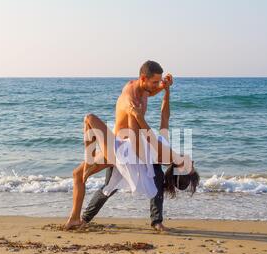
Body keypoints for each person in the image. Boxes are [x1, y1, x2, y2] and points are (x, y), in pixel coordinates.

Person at [64, 61, 199, 231]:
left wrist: (136, 114)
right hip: (128, 146)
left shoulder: (169, 155)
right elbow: (165, 116)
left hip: (124, 149)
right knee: (87, 179)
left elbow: (144, 135)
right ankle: (75, 219)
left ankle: (156, 221)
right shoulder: (138, 94)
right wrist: (166, 90)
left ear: (182, 168)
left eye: (191, 166)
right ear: (144, 78)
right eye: (155, 81)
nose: (193, 161)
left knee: (89, 119)